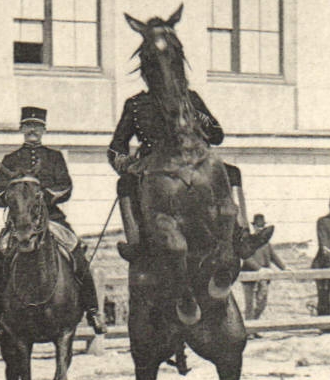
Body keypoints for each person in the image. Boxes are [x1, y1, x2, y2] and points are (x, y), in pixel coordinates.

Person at [0, 106, 105, 345]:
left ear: (44, 130)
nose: (32, 131)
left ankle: (93, 312)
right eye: (28, 126)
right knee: (0, 260)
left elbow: (66, 187)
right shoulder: (10, 160)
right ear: (22, 129)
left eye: (37, 127)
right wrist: (13, 197)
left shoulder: (54, 157)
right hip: (19, 223)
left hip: (52, 219)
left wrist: (45, 196)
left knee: (77, 254)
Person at [107, 88, 272, 264]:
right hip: (154, 166)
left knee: (231, 172)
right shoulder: (135, 105)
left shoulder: (190, 98)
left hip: (193, 161)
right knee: (125, 182)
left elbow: (217, 135)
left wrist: (199, 117)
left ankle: (242, 236)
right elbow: (115, 149)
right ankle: (137, 244)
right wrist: (128, 164)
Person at [241, 213, 287, 320]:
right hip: (249, 276)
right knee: (250, 305)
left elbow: (273, 256)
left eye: (261, 227)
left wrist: (284, 267)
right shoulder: (247, 240)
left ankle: (255, 324)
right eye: (257, 226)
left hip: (264, 277)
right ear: (254, 227)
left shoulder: (266, 242)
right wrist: (259, 268)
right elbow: (246, 257)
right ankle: (250, 330)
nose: (259, 229)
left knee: (262, 303)